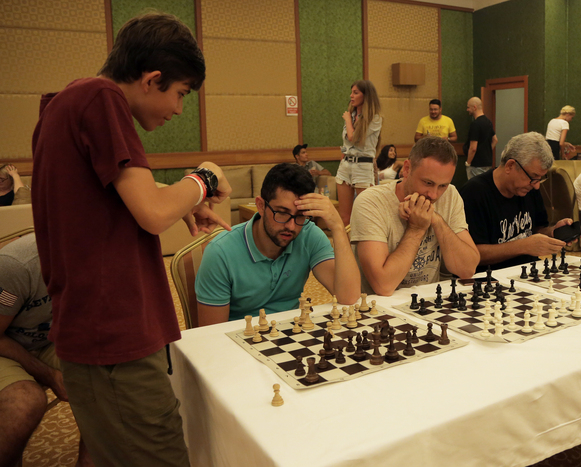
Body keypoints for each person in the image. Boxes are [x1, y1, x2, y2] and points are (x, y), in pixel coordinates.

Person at [31, 13, 232, 466]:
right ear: (151, 79)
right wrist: (204, 177)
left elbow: (104, 198)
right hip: (113, 337)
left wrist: (179, 199)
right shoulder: (101, 97)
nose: (179, 110)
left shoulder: (69, 103)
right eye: (181, 93)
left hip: (99, 335)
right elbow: (152, 213)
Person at [195, 163, 360, 324]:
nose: (291, 226)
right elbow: (211, 333)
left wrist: (338, 227)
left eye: (300, 215)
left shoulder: (309, 234)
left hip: (291, 334)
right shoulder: (221, 252)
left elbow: (349, 297)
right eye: (281, 213)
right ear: (261, 206)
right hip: (240, 337)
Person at [0, 234, 92, 467]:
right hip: (5, 345)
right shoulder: (17, 266)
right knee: (24, 402)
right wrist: (48, 374)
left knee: (108, 382)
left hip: (50, 339)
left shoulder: (102, 255)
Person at [350, 136, 480, 296]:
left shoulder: (450, 194)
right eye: (428, 183)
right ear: (406, 169)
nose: (434, 195)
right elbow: (383, 286)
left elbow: (467, 269)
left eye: (443, 185)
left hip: (429, 302)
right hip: (379, 306)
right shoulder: (371, 201)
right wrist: (416, 228)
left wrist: (436, 219)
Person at [459, 132, 576, 272]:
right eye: (533, 177)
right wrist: (523, 246)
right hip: (491, 277)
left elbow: (537, 230)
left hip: (528, 271)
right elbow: (472, 254)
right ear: (510, 166)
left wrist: (553, 232)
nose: (536, 186)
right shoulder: (474, 192)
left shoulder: (529, 188)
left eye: (540, 179)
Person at [336, 80, 382, 226]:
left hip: (363, 167)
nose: (351, 96)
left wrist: (347, 120)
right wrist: (342, 158)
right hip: (345, 166)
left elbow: (353, 138)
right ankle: (345, 241)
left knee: (365, 215)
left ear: (366, 96)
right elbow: (346, 143)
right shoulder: (351, 115)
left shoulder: (375, 118)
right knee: (344, 217)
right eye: (351, 92)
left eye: (355, 93)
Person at [465, 97, 497, 180]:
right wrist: (485, 152)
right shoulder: (488, 122)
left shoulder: (475, 124)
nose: (467, 110)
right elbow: (495, 140)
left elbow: (473, 148)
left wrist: (468, 163)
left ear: (474, 107)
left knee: (475, 186)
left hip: (476, 165)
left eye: (468, 107)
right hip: (487, 163)